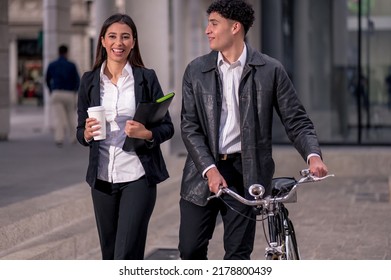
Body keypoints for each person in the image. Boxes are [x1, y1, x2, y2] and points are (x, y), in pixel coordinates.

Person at [179, 0, 328, 260]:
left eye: (214, 23)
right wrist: (209, 169)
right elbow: (189, 126)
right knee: (190, 250)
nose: (207, 30)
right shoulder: (196, 70)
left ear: (235, 27)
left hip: (245, 172)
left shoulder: (270, 70)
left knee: (238, 253)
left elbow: (296, 120)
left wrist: (312, 155)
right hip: (202, 171)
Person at [76, 13, 174, 260]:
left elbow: (167, 127)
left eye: (125, 37)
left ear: (133, 42)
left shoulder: (145, 78)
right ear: (102, 41)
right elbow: (80, 131)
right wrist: (86, 133)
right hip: (101, 179)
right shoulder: (89, 81)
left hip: (137, 175)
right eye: (112, 36)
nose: (118, 43)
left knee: (125, 255)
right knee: (109, 256)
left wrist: (146, 133)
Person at [46, 44, 80, 147]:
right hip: (69, 93)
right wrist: (74, 91)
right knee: (71, 116)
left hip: (57, 93)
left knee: (58, 118)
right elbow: (77, 80)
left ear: (58, 52)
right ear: (67, 53)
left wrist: (51, 90)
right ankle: (73, 137)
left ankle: (59, 138)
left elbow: (47, 79)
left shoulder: (52, 64)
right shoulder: (72, 65)